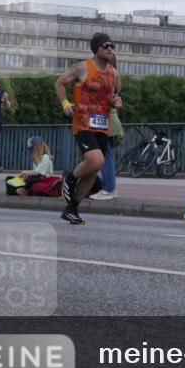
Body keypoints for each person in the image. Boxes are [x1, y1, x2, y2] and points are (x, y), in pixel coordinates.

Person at [54, 33, 122, 225]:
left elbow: (109, 98)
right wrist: (65, 104)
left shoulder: (114, 74)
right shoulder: (82, 68)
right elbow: (59, 83)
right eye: (106, 46)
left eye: (112, 46)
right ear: (96, 49)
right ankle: (70, 177)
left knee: (93, 169)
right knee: (96, 160)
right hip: (83, 122)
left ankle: (72, 209)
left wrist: (115, 102)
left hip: (102, 124)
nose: (110, 49)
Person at [92, 54, 122, 201]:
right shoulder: (114, 75)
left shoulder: (108, 76)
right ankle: (111, 188)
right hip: (111, 119)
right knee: (106, 155)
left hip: (106, 120)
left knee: (105, 156)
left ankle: (108, 189)